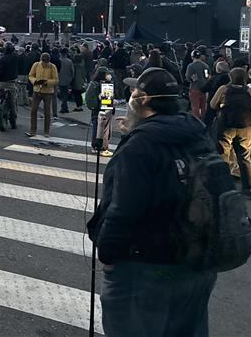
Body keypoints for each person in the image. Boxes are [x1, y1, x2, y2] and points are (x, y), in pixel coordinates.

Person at [88, 67, 219, 337]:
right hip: (197, 263)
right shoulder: (197, 134)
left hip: (145, 267)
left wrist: (108, 257)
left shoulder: (140, 147)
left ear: (144, 100)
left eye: (134, 92)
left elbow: (122, 210)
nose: (130, 96)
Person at [210, 67, 251, 198]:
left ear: (231, 77)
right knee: (245, 158)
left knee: (223, 156)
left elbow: (212, 105)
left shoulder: (224, 89)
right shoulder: (250, 90)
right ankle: (248, 190)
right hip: (245, 127)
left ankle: (224, 188)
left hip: (226, 126)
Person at [26, 52, 59, 138]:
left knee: (47, 112)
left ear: (48, 61)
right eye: (43, 62)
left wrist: (47, 82)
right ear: (41, 60)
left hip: (47, 92)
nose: (44, 64)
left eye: (46, 62)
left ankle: (46, 132)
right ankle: (33, 131)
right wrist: (34, 81)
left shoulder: (52, 67)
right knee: (33, 110)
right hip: (37, 90)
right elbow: (30, 75)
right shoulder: (36, 65)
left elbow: (55, 80)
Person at [0, 43, 20, 128]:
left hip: (2, 83)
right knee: (13, 103)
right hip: (11, 83)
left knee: (0, 98)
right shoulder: (15, 57)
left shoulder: (2, 59)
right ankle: (13, 122)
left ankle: (1, 114)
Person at [186, 49, 210, 120]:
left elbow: (188, 77)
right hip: (204, 88)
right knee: (203, 106)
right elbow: (207, 76)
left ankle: (196, 121)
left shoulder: (191, 66)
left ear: (192, 57)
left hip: (194, 88)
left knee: (195, 107)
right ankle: (204, 120)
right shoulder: (205, 65)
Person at [58, 49, 74, 114]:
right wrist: (71, 78)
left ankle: (63, 107)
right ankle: (65, 107)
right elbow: (72, 71)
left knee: (62, 94)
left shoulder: (59, 61)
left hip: (60, 79)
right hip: (67, 80)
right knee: (65, 94)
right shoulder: (69, 61)